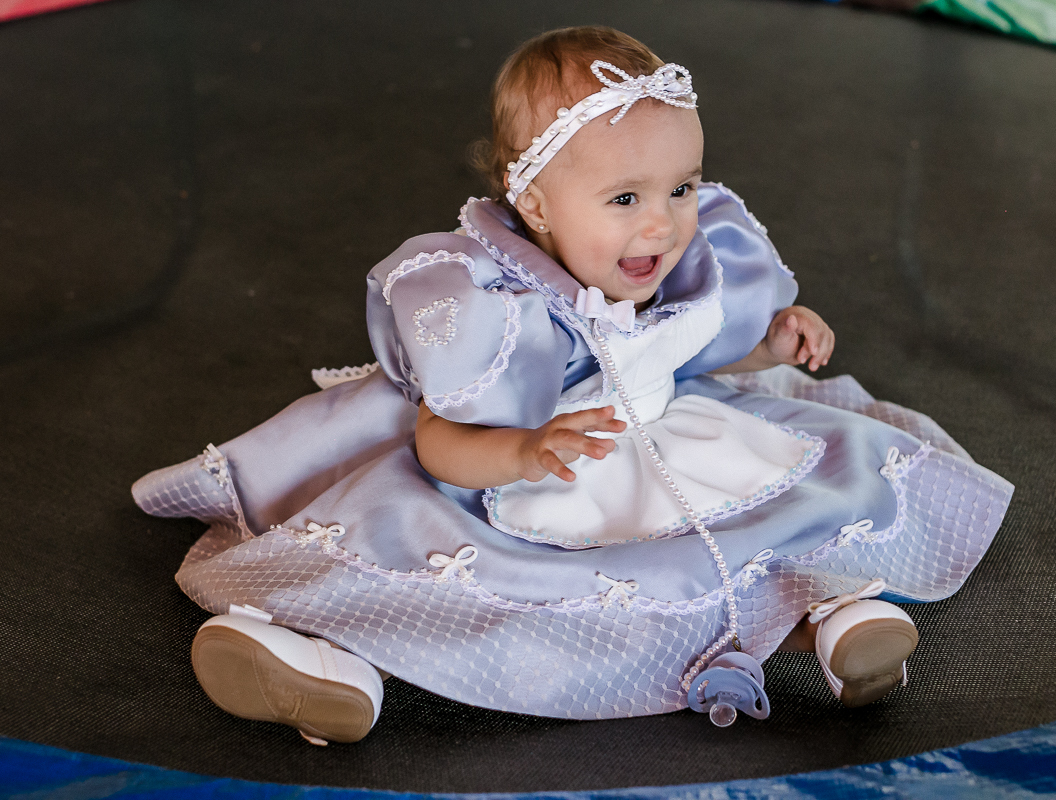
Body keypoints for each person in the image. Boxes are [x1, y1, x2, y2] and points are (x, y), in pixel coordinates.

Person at [133, 26, 1012, 745]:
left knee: (789, 504)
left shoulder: (674, 266)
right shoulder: (498, 311)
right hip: (531, 475)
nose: (663, 223)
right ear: (538, 205)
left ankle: (836, 619)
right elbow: (437, 440)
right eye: (625, 199)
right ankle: (334, 669)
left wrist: (768, 344)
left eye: (681, 187)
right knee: (452, 583)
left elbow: (691, 354)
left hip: (676, 439)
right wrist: (523, 450)